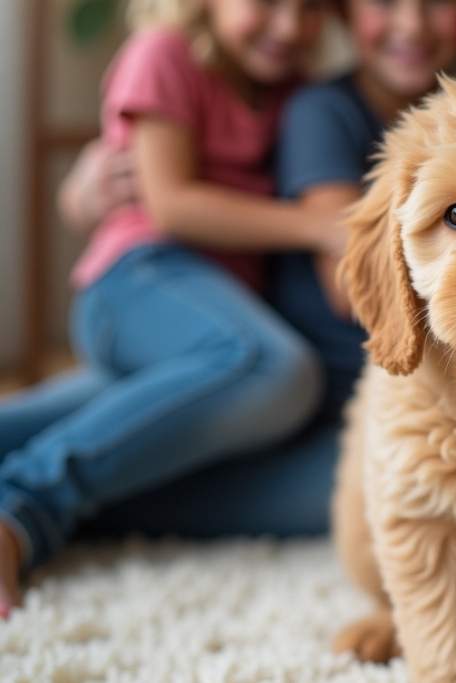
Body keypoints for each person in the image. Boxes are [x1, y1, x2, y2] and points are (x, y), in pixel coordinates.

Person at [0, 0, 345, 617]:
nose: (291, 26)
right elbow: (170, 205)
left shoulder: (291, 91)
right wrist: (317, 226)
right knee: (273, 369)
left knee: (127, 421)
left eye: (312, 7)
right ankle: (23, 502)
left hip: (214, 317)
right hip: (138, 284)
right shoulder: (165, 55)